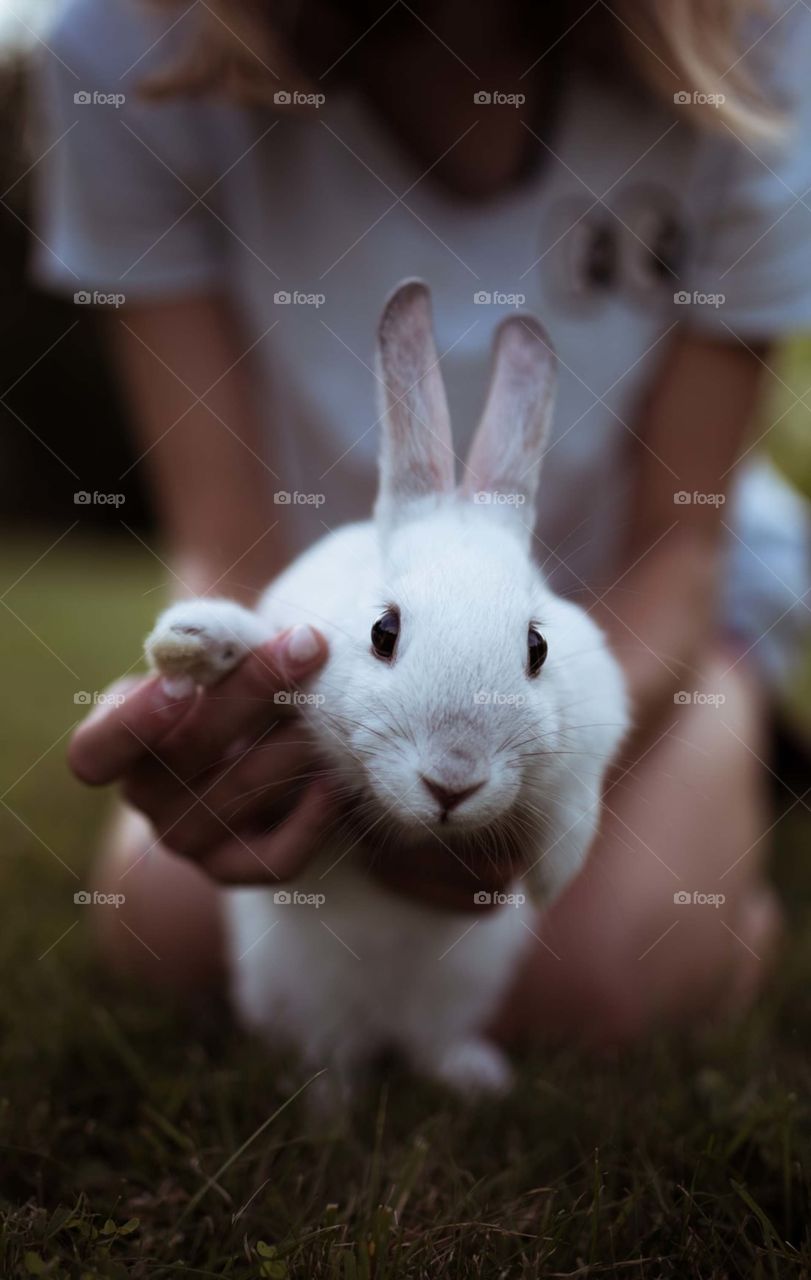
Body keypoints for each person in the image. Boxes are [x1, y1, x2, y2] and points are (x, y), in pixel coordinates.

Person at [34, 0, 811, 1043]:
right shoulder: (120, 44)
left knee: (592, 985)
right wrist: (244, 730)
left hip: (641, 605)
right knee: (167, 929)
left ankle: (730, 760)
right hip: (352, 619)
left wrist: (548, 775)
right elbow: (229, 544)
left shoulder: (761, 34)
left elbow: (678, 544)